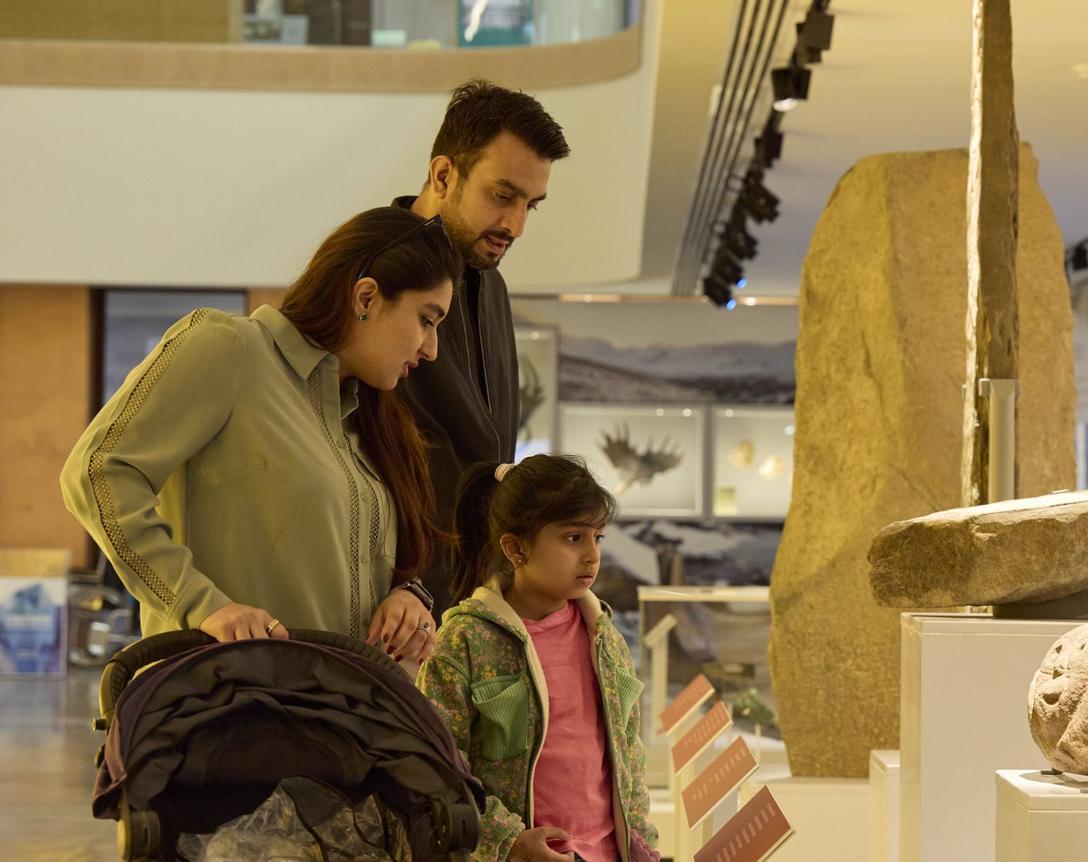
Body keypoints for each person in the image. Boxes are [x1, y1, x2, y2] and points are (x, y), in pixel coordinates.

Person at [60, 207, 457, 663]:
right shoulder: (230, 348)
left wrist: (405, 597)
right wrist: (202, 604)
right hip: (229, 694)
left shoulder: (367, 420)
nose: (432, 349)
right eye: (426, 320)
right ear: (366, 298)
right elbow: (98, 470)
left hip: (341, 701)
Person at [417, 456, 659, 862]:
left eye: (598, 537)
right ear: (516, 548)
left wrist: (642, 843)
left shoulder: (605, 638)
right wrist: (507, 842)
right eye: (573, 537)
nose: (592, 555)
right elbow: (436, 766)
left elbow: (628, 754)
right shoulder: (465, 641)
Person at [395, 79, 571, 618]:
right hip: (391, 606)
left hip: (471, 598)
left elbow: (485, 454)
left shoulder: (492, 286)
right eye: (502, 195)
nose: (515, 225)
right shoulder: (373, 270)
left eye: (530, 205)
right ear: (443, 175)